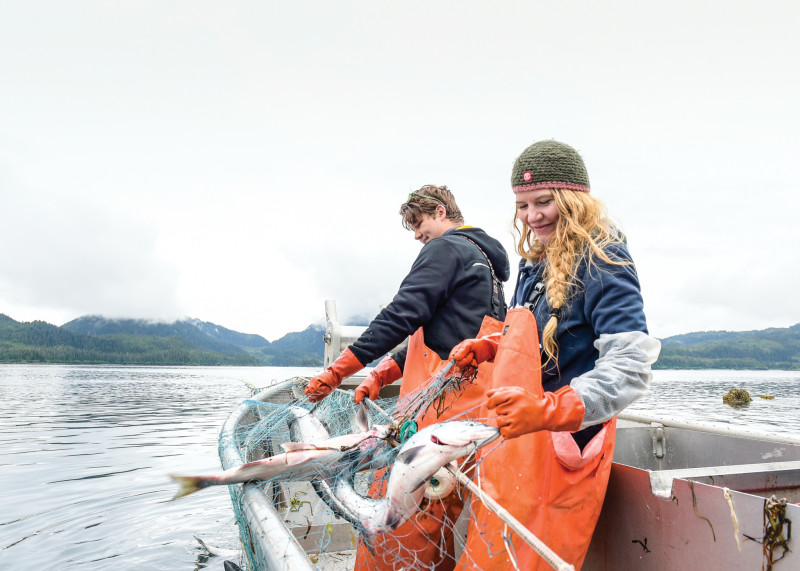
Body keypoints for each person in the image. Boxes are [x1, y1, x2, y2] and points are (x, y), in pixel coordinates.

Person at [448, 140, 661, 570]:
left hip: (567, 444)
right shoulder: (534, 262)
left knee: (537, 558)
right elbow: (535, 338)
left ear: (575, 198)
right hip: (521, 441)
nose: (531, 216)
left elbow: (630, 367)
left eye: (544, 202)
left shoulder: (605, 259)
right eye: (522, 205)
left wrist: (548, 408)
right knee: (497, 549)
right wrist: (489, 347)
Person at [304, 184, 510, 571]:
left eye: (418, 224)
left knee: (393, 525)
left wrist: (338, 371)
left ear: (439, 212)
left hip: (435, 419)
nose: (417, 236)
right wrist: (381, 374)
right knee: (437, 522)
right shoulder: (486, 265)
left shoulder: (447, 249)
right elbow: (440, 335)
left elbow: (400, 315)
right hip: (470, 420)